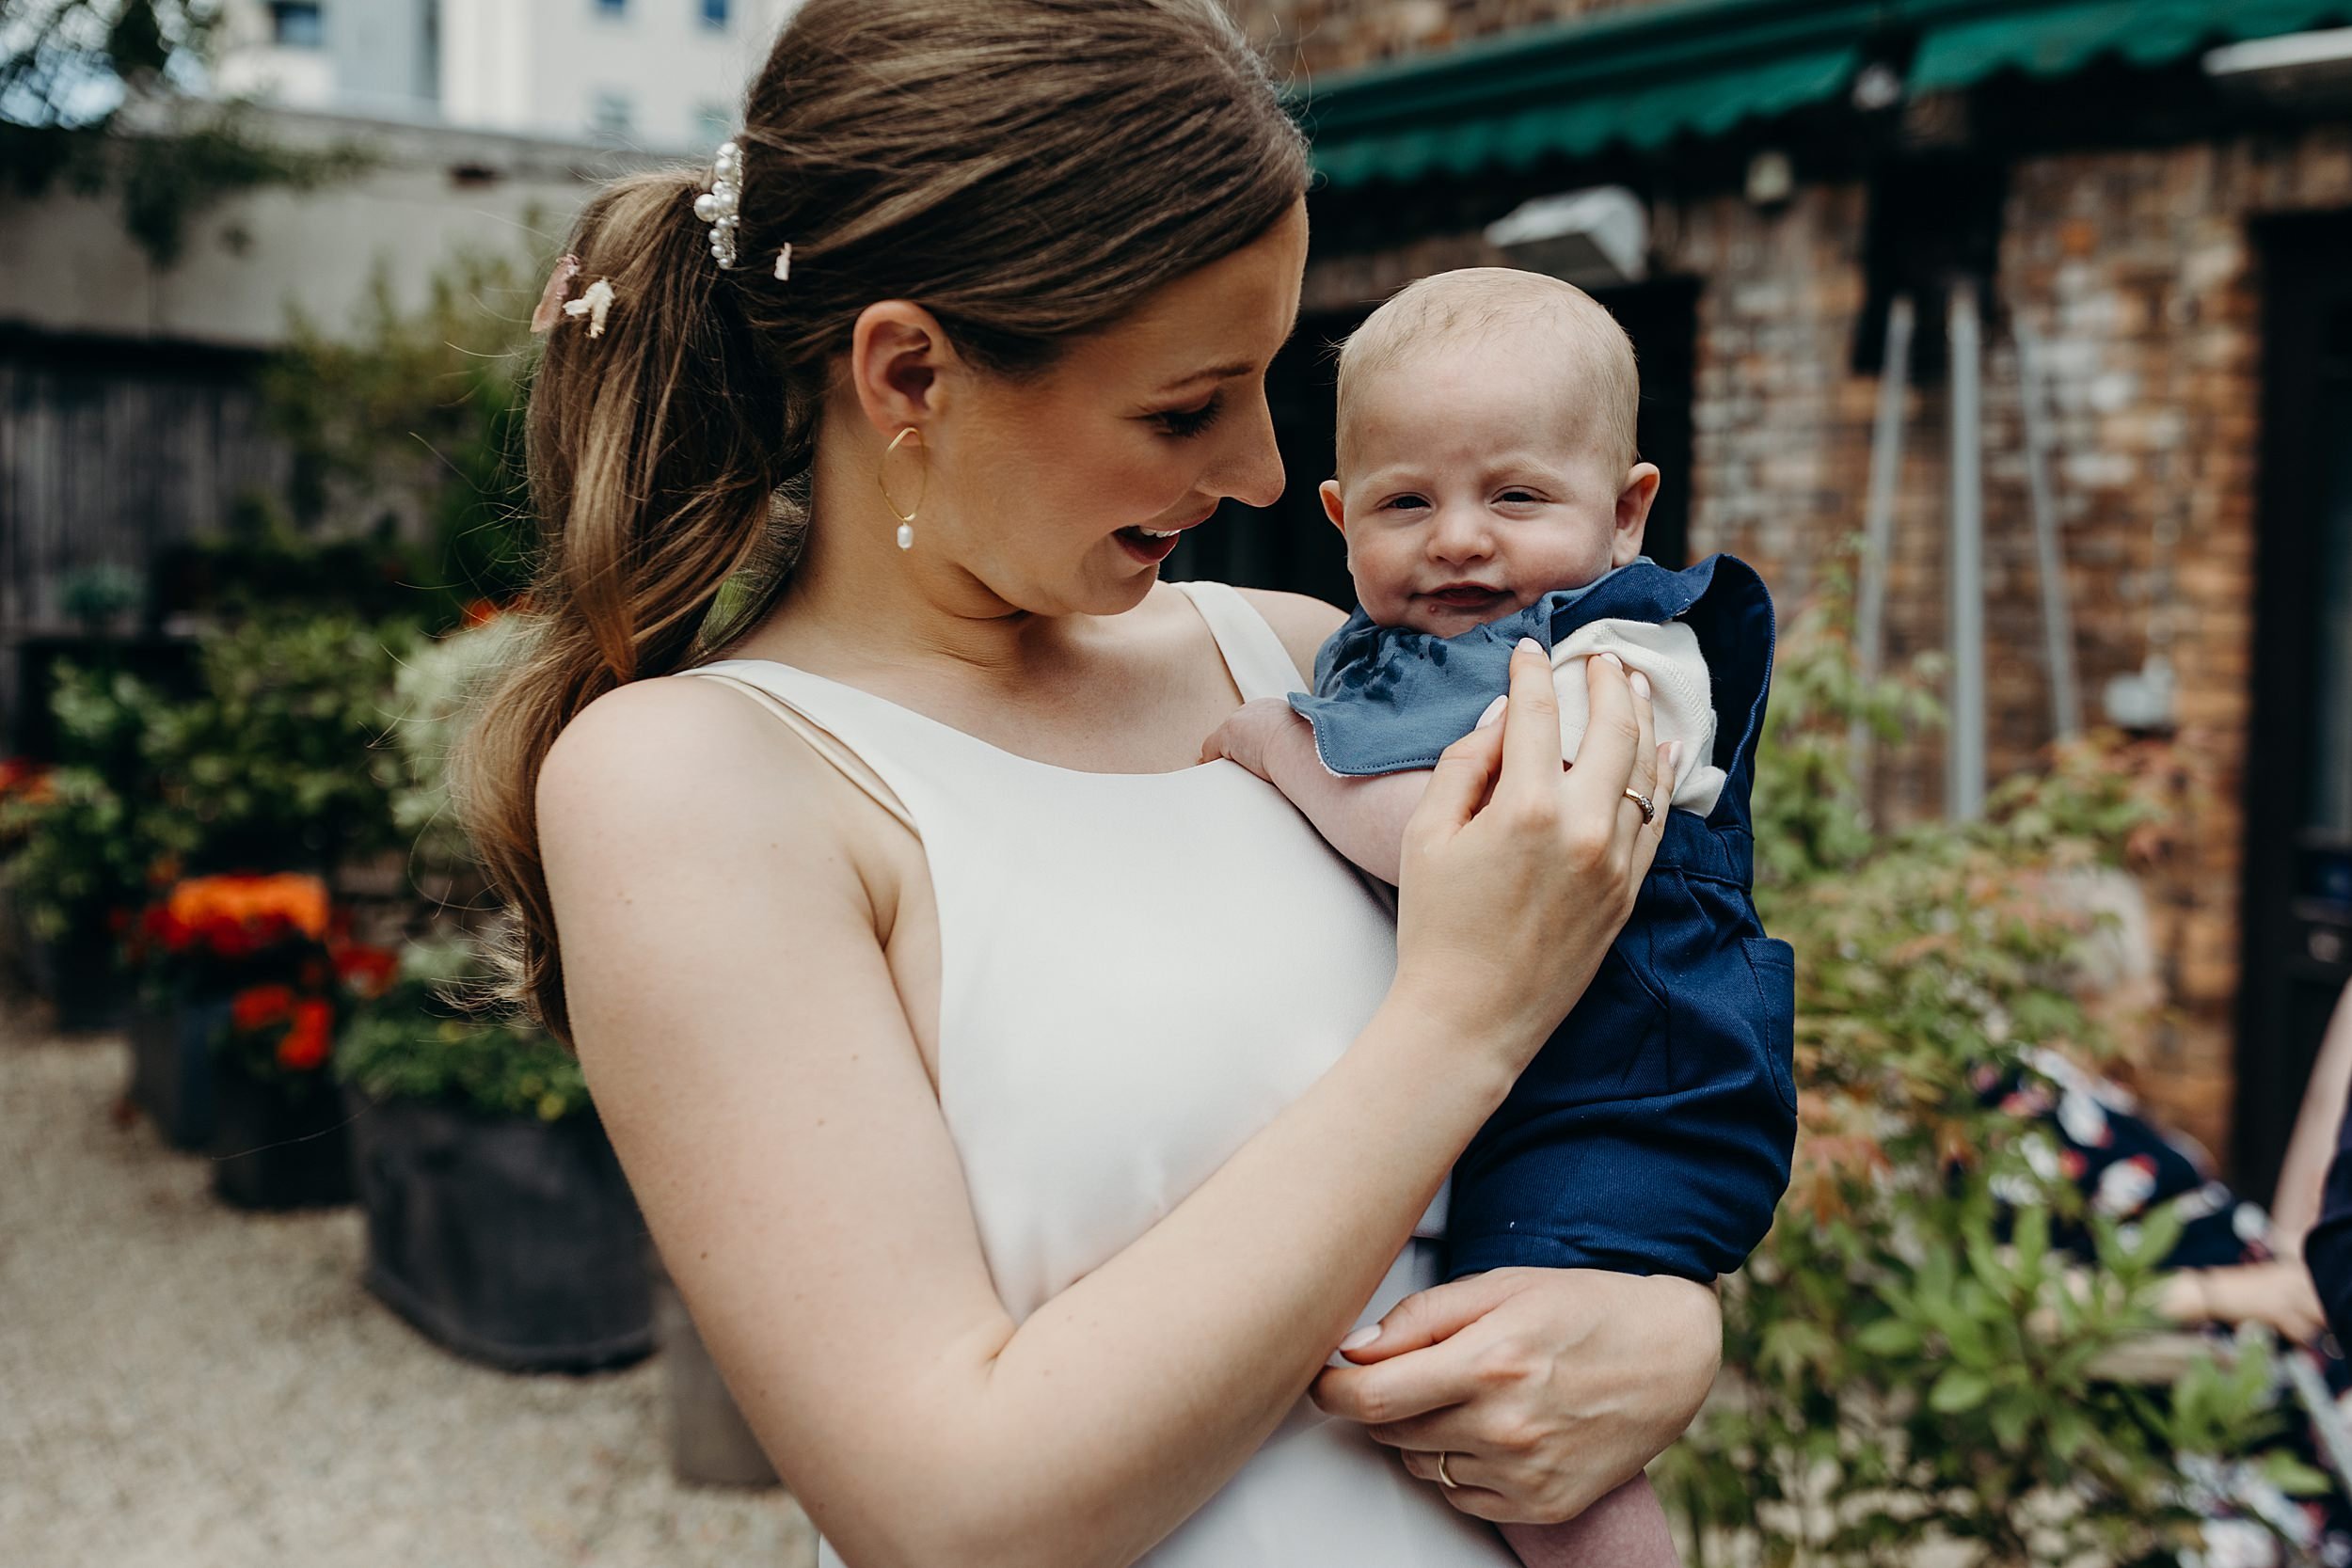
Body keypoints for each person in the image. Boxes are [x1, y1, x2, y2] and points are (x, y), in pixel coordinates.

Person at [449, 3, 1724, 1565]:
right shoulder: (697, 783)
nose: (1264, 471)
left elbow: (1614, 1076)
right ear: (909, 371)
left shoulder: (1305, 658)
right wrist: (1461, 1017)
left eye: (1266, 379)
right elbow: (950, 1512)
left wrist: (1663, 1328)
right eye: (1185, 405)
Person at [1203, 269, 1795, 1567]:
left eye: (1515, 496)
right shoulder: (1369, 650)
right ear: (1340, 516)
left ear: (1629, 507)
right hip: (1551, 1071)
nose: (1459, 538)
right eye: (1408, 502)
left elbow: (1449, 848)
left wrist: (1271, 748)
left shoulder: (1625, 657)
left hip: (1634, 1078)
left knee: (1517, 1405)